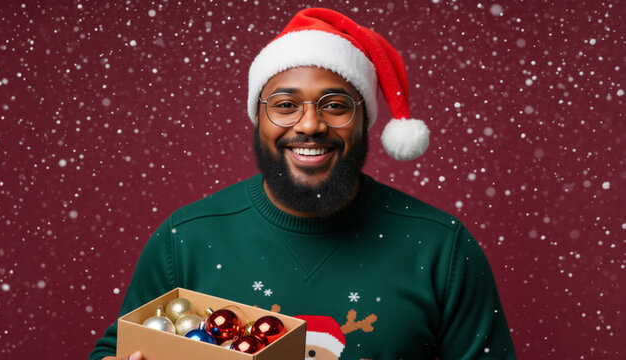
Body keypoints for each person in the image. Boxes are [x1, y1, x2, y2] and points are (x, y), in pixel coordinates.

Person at [89, 8, 515, 360]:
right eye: (286, 105)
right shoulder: (185, 240)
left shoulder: (440, 247)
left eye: (334, 105)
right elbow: (117, 348)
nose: (310, 125)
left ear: (364, 121)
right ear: (258, 121)